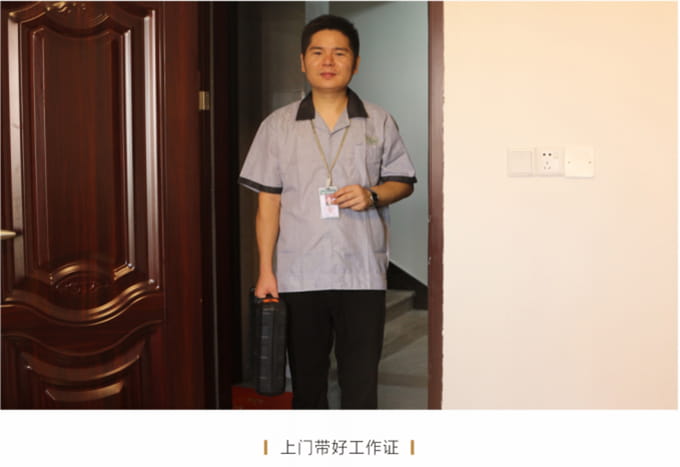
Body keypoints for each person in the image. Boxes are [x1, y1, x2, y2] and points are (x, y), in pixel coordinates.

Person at [239, 14, 416, 409]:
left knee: (361, 384)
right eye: (318, 52)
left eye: (340, 53)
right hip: (299, 274)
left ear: (356, 62)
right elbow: (268, 203)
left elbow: (403, 182)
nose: (329, 61)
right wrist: (265, 271)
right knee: (307, 384)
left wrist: (372, 195)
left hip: (362, 273)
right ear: (302, 61)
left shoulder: (378, 120)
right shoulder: (278, 126)